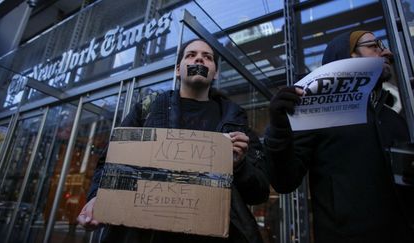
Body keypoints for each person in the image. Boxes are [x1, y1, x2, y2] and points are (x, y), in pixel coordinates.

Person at [77, 38, 270, 243]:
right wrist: (97, 197)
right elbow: (110, 161)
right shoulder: (148, 110)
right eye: (191, 55)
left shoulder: (236, 121)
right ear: (178, 70)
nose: (199, 60)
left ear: (215, 73)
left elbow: (259, 193)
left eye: (207, 57)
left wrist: (239, 167)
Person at [264, 30, 414, 242]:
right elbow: (285, 182)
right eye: (375, 46)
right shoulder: (317, 113)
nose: (387, 52)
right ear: (349, 56)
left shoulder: (396, 117)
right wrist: (279, 128)